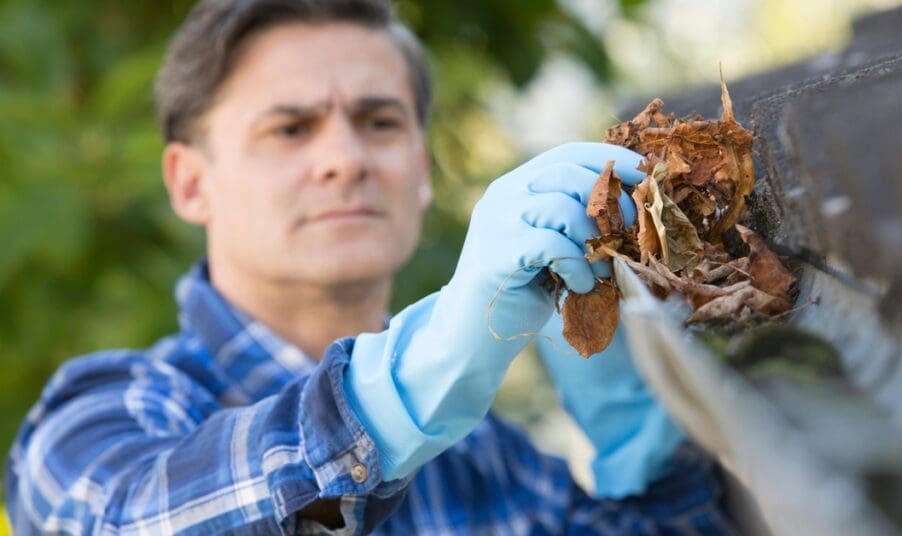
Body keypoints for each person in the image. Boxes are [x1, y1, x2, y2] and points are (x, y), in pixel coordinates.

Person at [4, 0, 735, 533]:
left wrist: (640, 448)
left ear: (420, 172)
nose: (346, 160)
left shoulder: (489, 458)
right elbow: (118, 517)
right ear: (189, 181)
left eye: (380, 122)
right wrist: (412, 384)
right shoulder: (100, 419)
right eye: (289, 128)